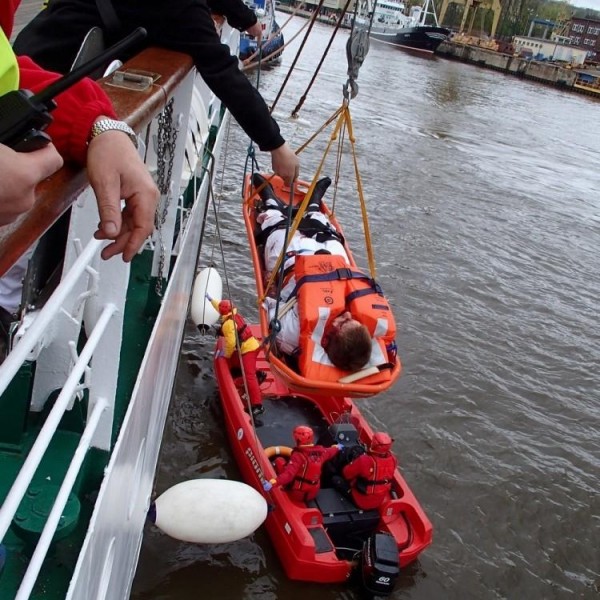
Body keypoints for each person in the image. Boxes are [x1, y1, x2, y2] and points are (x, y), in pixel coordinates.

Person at [13, 0, 300, 185]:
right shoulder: (178, 9)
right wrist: (276, 144)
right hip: (43, 88)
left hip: (32, 53)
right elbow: (223, 72)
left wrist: (244, 17)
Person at [253, 173, 397, 376]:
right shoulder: (366, 326)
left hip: (293, 263)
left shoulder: (291, 335)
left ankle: (270, 201)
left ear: (326, 339)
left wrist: (273, 287)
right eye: (353, 319)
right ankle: (313, 204)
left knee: (277, 228)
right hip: (334, 262)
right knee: (326, 232)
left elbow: (268, 307)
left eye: (344, 322)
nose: (348, 314)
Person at [210, 297, 265, 416]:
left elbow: (231, 343)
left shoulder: (227, 325)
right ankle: (260, 374)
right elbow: (219, 306)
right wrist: (211, 300)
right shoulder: (234, 315)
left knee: (249, 376)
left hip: (248, 350)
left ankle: (258, 405)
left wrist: (225, 354)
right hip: (253, 344)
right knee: (247, 368)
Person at [262, 425, 342, 502]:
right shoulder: (322, 452)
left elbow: (288, 475)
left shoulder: (298, 456)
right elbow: (331, 451)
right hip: (313, 492)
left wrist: (272, 483)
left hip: (298, 495)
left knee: (279, 460)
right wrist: (338, 447)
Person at [336, 431, 397, 510]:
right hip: (378, 501)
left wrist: (353, 463)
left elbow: (346, 474)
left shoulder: (364, 460)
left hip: (361, 501)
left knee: (335, 479)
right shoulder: (393, 460)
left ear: (374, 444)